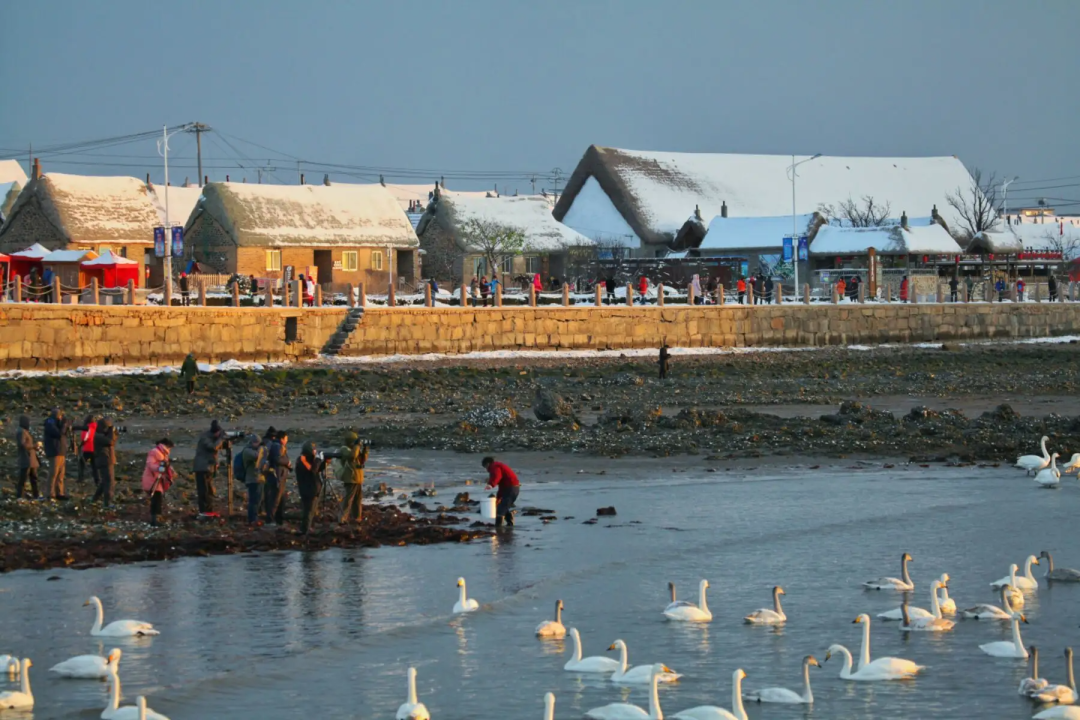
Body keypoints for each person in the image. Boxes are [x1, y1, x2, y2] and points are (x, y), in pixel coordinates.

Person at [330, 432, 368, 525]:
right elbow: (352, 456)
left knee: (357, 500)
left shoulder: (355, 449)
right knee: (348, 500)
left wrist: (365, 449)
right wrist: (357, 446)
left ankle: (357, 517)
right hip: (350, 478)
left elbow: (362, 459)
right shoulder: (344, 449)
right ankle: (342, 518)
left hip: (357, 478)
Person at [193, 420, 225, 515]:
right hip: (201, 468)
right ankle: (203, 511)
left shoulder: (212, 438)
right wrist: (221, 439)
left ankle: (209, 510)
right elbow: (213, 447)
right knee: (203, 490)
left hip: (208, 468)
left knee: (209, 490)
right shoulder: (205, 438)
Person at [141, 438, 176, 526]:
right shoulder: (155, 452)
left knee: (158, 499)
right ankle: (155, 520)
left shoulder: (162, 453)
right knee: (156, 499)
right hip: (152, 479)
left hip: (158, 479)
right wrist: (159, 468)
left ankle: (156, 518)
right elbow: (150, 464)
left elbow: (165, 466)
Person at [296, 440, 326, 535]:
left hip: (313, 488)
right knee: (308, 510)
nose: (315, 451)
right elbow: (313, 470)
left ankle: (306, 528)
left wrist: (323, 462)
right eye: (313, 449)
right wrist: (318, 460)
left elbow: (317, 469)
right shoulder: (302, 459)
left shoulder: (309, 459)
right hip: (308, 489)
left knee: (311, 510)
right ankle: (305, 530)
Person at [482, 456, 520, 527]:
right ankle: (509, 524)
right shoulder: (498, 466)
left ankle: (498, 528)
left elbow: (497, 476)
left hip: (511, 488)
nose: (487, 470)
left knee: (500, 510)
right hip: (512, 488)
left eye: (486, 467)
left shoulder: (495, 466)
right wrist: (498, 498)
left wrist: (491, 484)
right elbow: (501, 487)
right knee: (503, 506)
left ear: (487, 464)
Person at [42, 408, 70, 500]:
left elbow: (64, 433)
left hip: (60, 451)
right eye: (60, 415)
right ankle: (49, 493)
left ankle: (59, 492)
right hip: (54, 451)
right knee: (53, 473)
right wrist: (64, 425)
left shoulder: (56, 423)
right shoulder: (50, 423)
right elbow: (59, 433)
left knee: (61, 474)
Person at [265, 431, 292, 525]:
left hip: (280, 476)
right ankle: (270, 520)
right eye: (286, 439)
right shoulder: (277, 446)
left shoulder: (277, 445)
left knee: (280, 500)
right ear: (282, 438)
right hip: (278, 477)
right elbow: (277, 459)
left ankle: (279, 520)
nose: (287, 441)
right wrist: (287, 462)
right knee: (275, 500)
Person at [242, 435, 269, 525]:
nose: (257, 445)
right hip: (252, 479)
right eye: (256, 442)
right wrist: (262, 449)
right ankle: (252, 519)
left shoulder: (255, 449)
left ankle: (256, 517)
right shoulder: (247, 451)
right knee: (254, 500)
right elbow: (258, 456)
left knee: (259, 499)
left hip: (259, 478)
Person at [92, 418, 117, 506]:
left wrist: (113, 432)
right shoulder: (97, 436)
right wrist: (111, 431)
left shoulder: (102, 435)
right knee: (109, 482)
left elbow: (113, 441)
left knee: (105, 481)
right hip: (104, 460)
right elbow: (110, 442)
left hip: (107, 460)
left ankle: (95, 498)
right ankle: (108, 502)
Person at [14, 415, 39, 499]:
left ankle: (36, 496)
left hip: (31, 459)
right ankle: (19, 496)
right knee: (23, 479)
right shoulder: (21, 432)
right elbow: (22, 444)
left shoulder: (24, 431)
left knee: (33, 479)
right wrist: (33, 446)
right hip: (26, 459)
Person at [71, 414, 99, 487]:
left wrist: (81, 445)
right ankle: (97, 480)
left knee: (81, 463)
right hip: (95, 449)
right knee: (94, 465)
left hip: (88, 448)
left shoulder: (89, 427)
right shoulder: (95, 426)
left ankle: (81, 478)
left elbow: (87, 437)